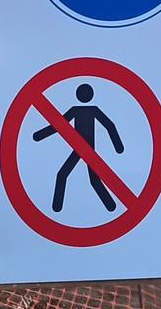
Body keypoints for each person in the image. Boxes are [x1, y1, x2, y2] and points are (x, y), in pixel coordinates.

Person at [34, 82, 126, 212]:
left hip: (86, 150)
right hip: (81, 149)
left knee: (68, 175)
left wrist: (118, 147)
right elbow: (110, 126)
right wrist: (118, 147)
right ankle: (111, 206)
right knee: (88, 179)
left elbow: (58, 125)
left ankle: (111, 206)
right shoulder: (81, 110)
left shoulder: (85, 110)